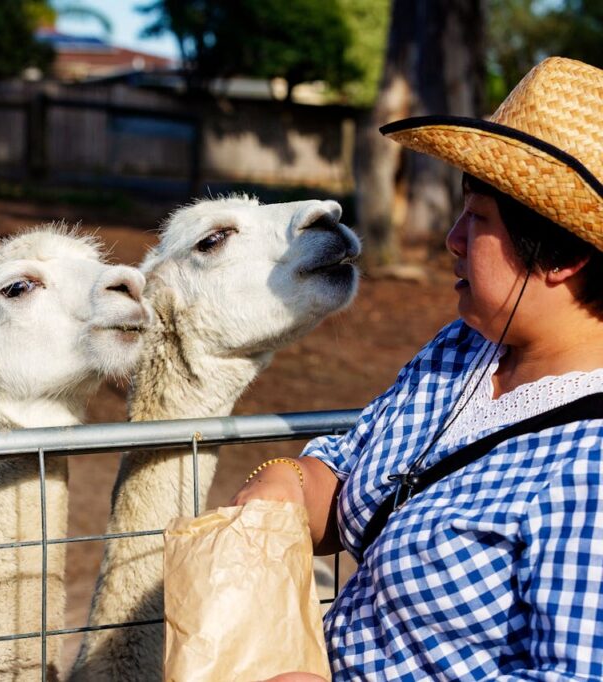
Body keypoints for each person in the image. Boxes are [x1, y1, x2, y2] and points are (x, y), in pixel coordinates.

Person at [233, 56, 603, 680]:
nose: (452, 240)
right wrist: (285, 484)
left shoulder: (589, 464)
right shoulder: (461, 351)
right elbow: (347, 472)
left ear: (560, 254)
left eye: (478, 219)